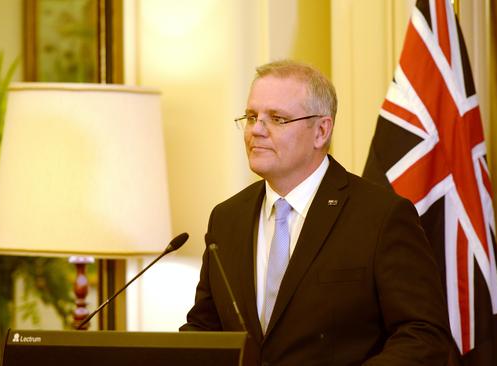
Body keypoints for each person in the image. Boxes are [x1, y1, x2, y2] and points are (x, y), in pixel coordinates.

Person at [181, 60, 451, 365]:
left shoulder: (380, 216)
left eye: (277, 119)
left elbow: (424, 335)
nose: (256, 130)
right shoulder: (227, 218)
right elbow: (205, 329)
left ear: (321, 131)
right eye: (252, 116)